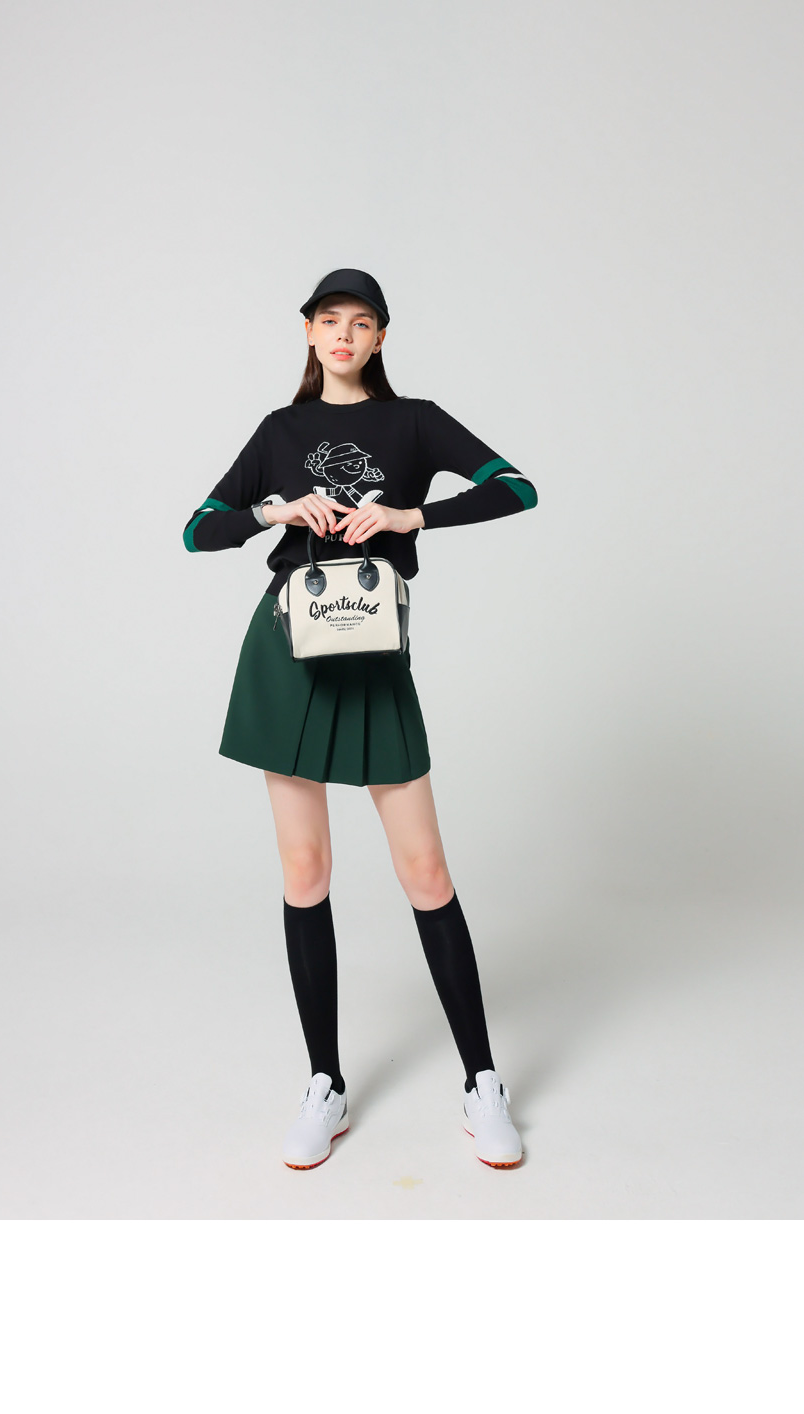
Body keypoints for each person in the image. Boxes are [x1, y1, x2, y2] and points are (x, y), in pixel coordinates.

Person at [182, 268, 539, 1171]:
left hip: (373, 654)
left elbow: (517, 488)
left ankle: (483, 1082)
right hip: (287, 653)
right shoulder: (279, 431)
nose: (344, 334)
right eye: (329, 319)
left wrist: (410, 515)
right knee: (305, 869)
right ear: (308, 331)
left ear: (381, 337)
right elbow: (198, 528)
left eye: (363, 322)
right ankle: (325, 1084)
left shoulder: (413, 421)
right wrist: (273, 508)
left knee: (425, 870)